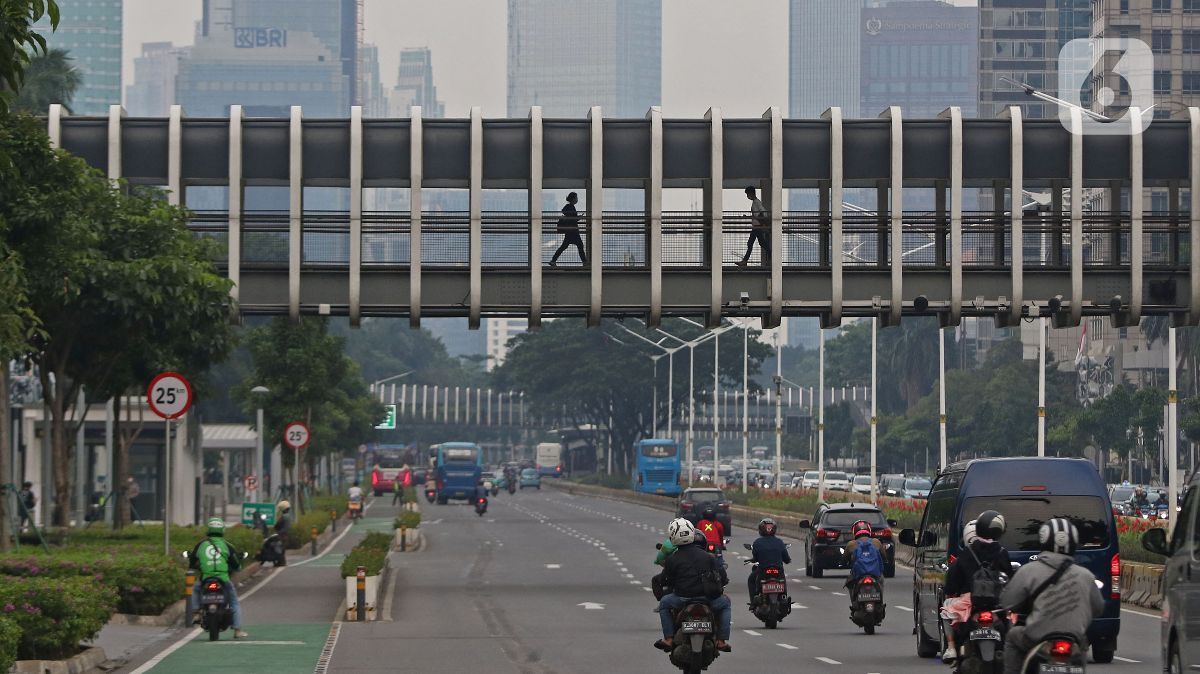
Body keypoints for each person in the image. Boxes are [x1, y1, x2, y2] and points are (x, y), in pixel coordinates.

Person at [1000, 518, 1104, 674]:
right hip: (1073, 640)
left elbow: (1008, 602)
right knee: (1083, 644)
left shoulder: (1029, 571)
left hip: (1036, 639)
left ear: (1044, 541)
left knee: (1013, 636)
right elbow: (1098, 608)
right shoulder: (1086, 575)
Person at [941, 511, 1011, 664]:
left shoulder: (967, 553)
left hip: (970, 602)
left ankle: (951, 647)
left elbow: (952, 583)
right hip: (997, 604)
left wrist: (950, 592)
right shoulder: (1002, 552)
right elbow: (1009, 579)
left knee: (946, 609)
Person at [654, 518, 732, 653]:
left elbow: (667, 579)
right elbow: (722, 577)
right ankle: (721, 641)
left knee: (664, 604)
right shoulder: (709, 557)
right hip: (708, 599)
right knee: (726, 604)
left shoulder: (673, 558)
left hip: (682, 598)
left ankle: (668, 639)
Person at [188, 518, 248, 639]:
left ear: (209, 529)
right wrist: (237, 566)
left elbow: (192, 561)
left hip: (206, 579)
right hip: (223, 580)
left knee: (195, 589)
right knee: (234, 602)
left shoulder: (201, 545)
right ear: (222, 529)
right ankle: (237, 630)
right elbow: (237, 565)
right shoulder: (227, 546)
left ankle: (195, 613)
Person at [746, 517, 791, 603]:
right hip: (778, 569)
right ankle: (784, 596)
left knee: (751, 580)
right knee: (782, 578)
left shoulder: (757, 542)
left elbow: (755, 557)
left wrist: (753, 560)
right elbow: (786, 558)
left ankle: (753, 602)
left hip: (763, 569)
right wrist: (788, 560)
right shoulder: (780, 542)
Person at [842, 520, 885, 593]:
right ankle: (880, 601)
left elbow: (844, 559)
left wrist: (844, 562)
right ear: (869, 530)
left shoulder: (851, 544)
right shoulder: (876, 542)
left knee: (850, 583)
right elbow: (884, 556)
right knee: (881, 581)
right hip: (875, 574)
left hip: (858, 574)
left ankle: (853, 601)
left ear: (854, 531)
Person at [735, 186, 770, 268]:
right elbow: (757, 214)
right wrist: (747, 217)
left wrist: (763, 221)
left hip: (757, 227)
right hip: (757, 226)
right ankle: (771, 255)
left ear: (751, 193)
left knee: (750, 243)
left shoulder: (756, 202)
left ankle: (744, 261)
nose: (747, 196)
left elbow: (763, 212)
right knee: (762, 243)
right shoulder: (755, 202)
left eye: (747, 194)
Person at [549, 192, 587, 266]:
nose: (577, 200)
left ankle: (553, 260)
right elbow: (573, 219)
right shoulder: (571, 207)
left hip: (570, 231)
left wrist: (577, 217)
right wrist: (579, 217)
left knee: (564, 246)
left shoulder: (569, 207)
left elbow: (571, 217)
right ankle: (584, 262)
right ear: (573, 199)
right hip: (573, 231)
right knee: (580, 245)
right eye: (576, 198)